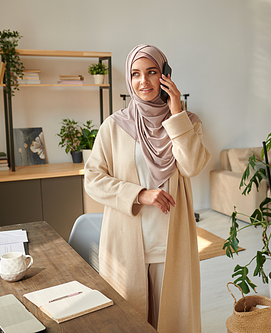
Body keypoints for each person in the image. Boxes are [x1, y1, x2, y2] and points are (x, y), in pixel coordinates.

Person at [84, 44, 210, 333]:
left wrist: (176, 113)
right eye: (136, 74)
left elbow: (191, 166)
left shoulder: (188, 124)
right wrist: (139, 194)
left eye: (152, 72)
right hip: (127, 242)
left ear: (165, 74)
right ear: (129, 79)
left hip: (172, 244)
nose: (144, 81)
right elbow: (92, 178)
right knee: (131, 323)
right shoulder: (115, 126)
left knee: (175, 323)